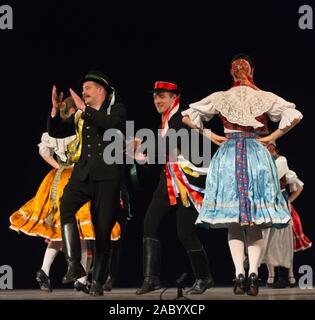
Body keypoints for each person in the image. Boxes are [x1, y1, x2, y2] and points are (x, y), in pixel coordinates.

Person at [182, 54, 303, 296]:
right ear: (252, 71)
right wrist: (271, 137)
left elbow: (187, 116)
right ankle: (254, 275)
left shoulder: (221, 97)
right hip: (256, 155)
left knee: (234, 221)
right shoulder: (263, 96)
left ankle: (239, 274)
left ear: (231, 73)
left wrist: (209, 135)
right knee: (255, 220)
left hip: (228, 155)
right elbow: (295, 115)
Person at [47, 70, 126, 296]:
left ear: (100, 90)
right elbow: (56, 131)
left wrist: (86, 109)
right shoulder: (81, 114)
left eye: (87, 88)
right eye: (83, 89)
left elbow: (111, 124)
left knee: (102, 234)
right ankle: (74, 264)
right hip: (82, 175)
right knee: (66, 206)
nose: (83, 92)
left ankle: (98, 282)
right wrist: (55, 110)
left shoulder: (116, 109)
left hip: (108, 179)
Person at [134, 81, 213, 295]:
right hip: (168, 178)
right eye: (155, 97)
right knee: (149, 222)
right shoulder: (165, 120)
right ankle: (151, 278)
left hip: (187, 181)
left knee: (184, 232)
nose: (157, 100)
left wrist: (143, 146)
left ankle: (204, 277)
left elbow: (174, 144)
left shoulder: (181, 119)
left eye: (162, 96)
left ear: (174, 97)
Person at [9, 97, 94, 293]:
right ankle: (81, 279)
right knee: (80, 232)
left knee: (60, 229)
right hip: (75, 179)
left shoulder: (54, 132)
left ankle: (45, 270)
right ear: (73, 111)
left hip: (57, 178)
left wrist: (59, 167)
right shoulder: (76, 131)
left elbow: (43, 151)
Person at [260, 142, 311, 288]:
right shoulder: (264, 162)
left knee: (282, 241)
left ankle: (289, 276)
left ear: (271, 147)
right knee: (268, 240)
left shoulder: (281, 161)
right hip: (267, 204)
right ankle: (272, 276)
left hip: (279, 203)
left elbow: (297, 185)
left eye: (265, 148)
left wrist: (289, 200)